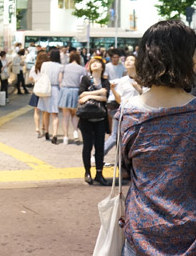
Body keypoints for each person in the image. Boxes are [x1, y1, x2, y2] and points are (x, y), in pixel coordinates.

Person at [120, 20, 196, 255]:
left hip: (141, 233)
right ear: (183, 59)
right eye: (194, 54)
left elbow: (128, 171)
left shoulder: (129, 114)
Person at [77, 56, 109, 185]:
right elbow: (80, 95)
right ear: (89, 67)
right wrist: (99, 93)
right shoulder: (85, 79)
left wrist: (88, 95)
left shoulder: (105, 81)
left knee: (100, 147)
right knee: (87, 146)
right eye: (92, 63)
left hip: (100, 118)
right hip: (86, 118)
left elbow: (105, 97)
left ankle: (99, 174)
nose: (95, 65)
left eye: (97, 63)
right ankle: (87, 172)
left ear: (102, 67)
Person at [103, 55, 141, 159]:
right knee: (116, 136)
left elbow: (145, 96)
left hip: (138, 113)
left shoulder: (143, 79)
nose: (128, 62)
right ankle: (100, 155)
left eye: (132, 60)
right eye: (127, 60)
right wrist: (113, 90)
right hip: (124, 111)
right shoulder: (122, 80)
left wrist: (138, 88)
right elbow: (119, 99)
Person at [58, 52, 84, 144]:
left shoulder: (64, 67)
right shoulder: (82, 69)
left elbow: (59, 80)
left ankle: (65, 137)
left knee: (65, 116)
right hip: (76, 91)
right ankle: (75, 131)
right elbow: (82, 82)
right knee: (75, 114)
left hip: (65, 91)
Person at [39, 49, 63, 144]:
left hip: (46, 89)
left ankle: (46, 131)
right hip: (56, 89)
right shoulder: (61, 66)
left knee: (45, 112)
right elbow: (61, 80)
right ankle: (55, 134)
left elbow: (42, 76)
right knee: (55, 114)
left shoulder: (45, 65)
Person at [28, 51, 50, 138]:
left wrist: (35, 79)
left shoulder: (34, 67)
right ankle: (44, 127)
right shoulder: (47, 68)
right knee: (45, 111)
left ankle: (37, 129)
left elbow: (30, 78)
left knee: (36, 111)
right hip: (45, 91)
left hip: (37, 90)